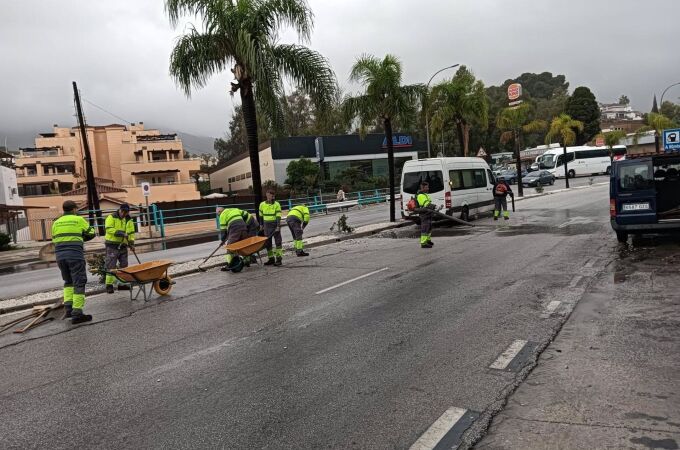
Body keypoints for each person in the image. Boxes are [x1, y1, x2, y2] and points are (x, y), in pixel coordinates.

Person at [52, 200, 96, 324]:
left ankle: (69, 309)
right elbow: (92, 233)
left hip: (60, 256)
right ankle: (77, 313)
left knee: (68, 282)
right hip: (75, 255)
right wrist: (81, 238)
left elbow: (54, 239)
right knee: (79, 282)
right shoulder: (78, 219)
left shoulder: (56, 222)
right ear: (74, 209)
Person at [104, 203, 136, 294]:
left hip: (123, 246)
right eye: (123, 212)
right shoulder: (111, 217)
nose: (124, 214)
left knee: (124, 266)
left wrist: (132, 244)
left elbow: (131, 233)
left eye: (126, 213)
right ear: (120, 210)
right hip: (112, 245)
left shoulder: (129, 219)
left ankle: (122, 285)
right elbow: (109, 229)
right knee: (111, 266)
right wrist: (121, 233)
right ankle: (109, 286)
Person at [219, 207, 249, 271]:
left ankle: (229, 264)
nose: (218, 215)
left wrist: (223, 240)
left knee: (230, 247)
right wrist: (243, 222)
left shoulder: (222, 215)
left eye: (217, 213)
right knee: (244, 244)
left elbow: (223, 230)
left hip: (234, 227)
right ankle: (247, 261)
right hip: (243, 226)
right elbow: (246, 214)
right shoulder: (234, 209)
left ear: (220, 212)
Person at [259, 189, 283, 266]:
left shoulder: (277, 204)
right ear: (266, 195)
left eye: (272, 196)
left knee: (278, 242)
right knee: (268, 243)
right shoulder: (262, 204)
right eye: (269, 195)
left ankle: (279, 259)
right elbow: (261, 216)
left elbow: (278, 216)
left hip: (275, 224)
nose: (271, 197)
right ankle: (271, 259)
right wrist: (261, 225)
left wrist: (278, 226)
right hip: (266, 225)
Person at [416, 181, 436, 248]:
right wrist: (434, 206)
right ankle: (423, 243)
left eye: (428, 187)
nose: (428, 188)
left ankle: (428, 240)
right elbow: (426, 204)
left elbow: (428, 203)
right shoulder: (420, 195)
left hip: (428, 213)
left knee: (429, 227)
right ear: (422, 188)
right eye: (427, 187)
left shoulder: (425, 194)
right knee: (425, 228)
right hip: (424, 214)